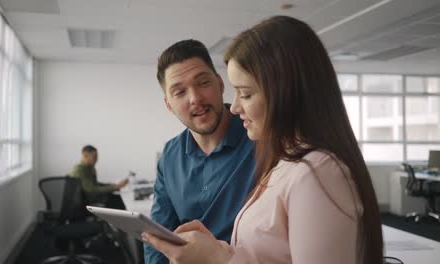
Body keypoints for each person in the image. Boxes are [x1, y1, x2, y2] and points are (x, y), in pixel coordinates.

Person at [143, 15, 384, 264]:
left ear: (283, 92)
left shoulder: (316, 170)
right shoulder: (286, 163)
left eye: (245, 94)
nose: (235, 107)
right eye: (180, 92)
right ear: (168, 104)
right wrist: (220, 250)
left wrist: (216, 259)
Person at [144, 39, 256, 263]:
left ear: (220, 84)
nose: (195, 98)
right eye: (180, 92)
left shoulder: (258, 138)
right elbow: (157, 237)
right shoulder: (170, 156)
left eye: (203, 83)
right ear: (169, 105)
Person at [70, 145, 129, 210]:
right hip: (85, 200)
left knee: (115, 196)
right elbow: (92, 189)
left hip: (91, 196)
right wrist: (115, 187)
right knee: (114, 199)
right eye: (94, 157)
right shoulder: (79, 170)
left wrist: (113, 185)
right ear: (85, 156)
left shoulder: (90, 168)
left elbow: (95, 184)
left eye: (96, 157)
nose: (96, 159)